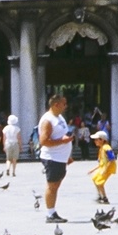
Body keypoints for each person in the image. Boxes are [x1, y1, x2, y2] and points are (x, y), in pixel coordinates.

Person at [38, 94, 74, 222]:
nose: (66, 106)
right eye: (64, 104)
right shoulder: (48, 120)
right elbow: (44, 141)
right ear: (56, 104)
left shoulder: (59, 117)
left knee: (56, 185)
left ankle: (52, 211)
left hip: (60, 158)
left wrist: (67, 155)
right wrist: (63, 142)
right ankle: (50, 214)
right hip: (52, 157)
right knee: (52, 186)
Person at [89, 128, 116, 204]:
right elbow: (101, 162)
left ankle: (104, 198)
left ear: (102, 140)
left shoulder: (106, 147)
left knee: (99, 182)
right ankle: (100, 195)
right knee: (95, 178)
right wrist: (93, 169)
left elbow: (111, 159)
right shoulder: (101, 149)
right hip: (103, 167)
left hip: (108, 168)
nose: (95, 141)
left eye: (96, 139)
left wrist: (105, 170)